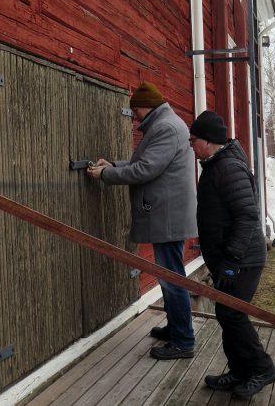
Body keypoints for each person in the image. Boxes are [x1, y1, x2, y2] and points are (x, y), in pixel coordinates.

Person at [87, 81, 197, 360]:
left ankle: (183, 341)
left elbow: (146, 169)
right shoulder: (168, 124)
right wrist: (115, 165)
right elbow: (148, 163)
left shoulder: (165, 128)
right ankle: (176, 328)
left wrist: (106, 176)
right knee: (169, 276)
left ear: (144, 107)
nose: (134, 116)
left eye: (135, 111)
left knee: (172, 279)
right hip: (168, 215)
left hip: (168, 217)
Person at [188, 110, 275, 398]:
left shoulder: (228, 168)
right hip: (228, 259)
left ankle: (262, 368)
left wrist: (231, 261)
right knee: (227, 315)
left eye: (194, 139)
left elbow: (247, 216)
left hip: (243, 260)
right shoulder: (215, 164)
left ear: (208, 141)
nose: (191, 144)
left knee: (233, 314)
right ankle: (240, 370)